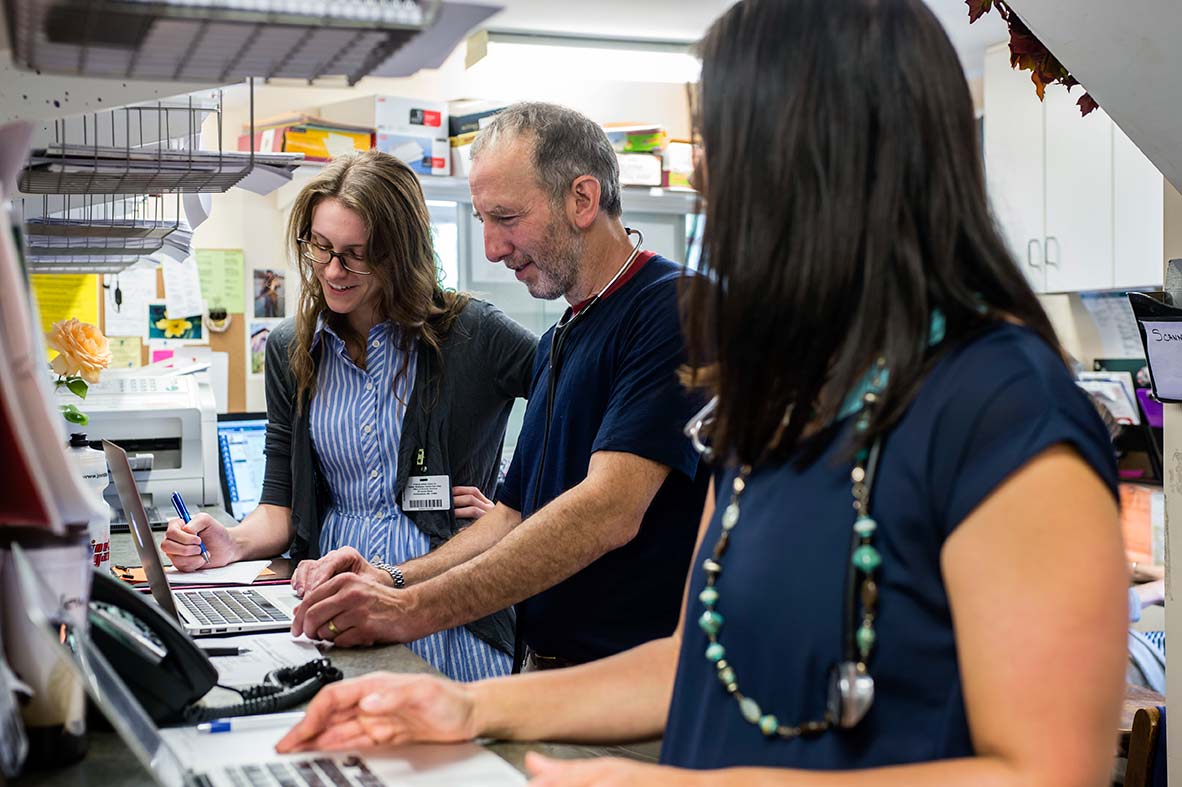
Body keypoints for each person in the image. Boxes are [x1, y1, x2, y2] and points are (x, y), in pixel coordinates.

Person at [275, 0, 1130, 783]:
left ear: (829, 164)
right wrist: (468, 704)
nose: (704, 189)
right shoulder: (780, 393)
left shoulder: (1006, 408)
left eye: (727, 154)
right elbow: (697, 660)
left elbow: (1045, 770)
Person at [288, 102, 710, 671]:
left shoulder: (674, 308)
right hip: (552, 668)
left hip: (633, 680)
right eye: (482, 220)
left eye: (506, 218)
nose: (491, 247)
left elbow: (609, 510)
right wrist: (389, 577)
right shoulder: (569, 329)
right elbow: (511, 517)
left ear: (582, 200)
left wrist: (409, 608)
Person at [160, 150, 537, 681]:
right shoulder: (292, 349)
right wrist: (232, 541)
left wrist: (513, 498)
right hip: (335, 604)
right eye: (322, 247)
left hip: (446, 608)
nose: (333, 271)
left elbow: (575, 401)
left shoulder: (471, 333)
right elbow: (281, 506)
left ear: (399, 253)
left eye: (356, 255)